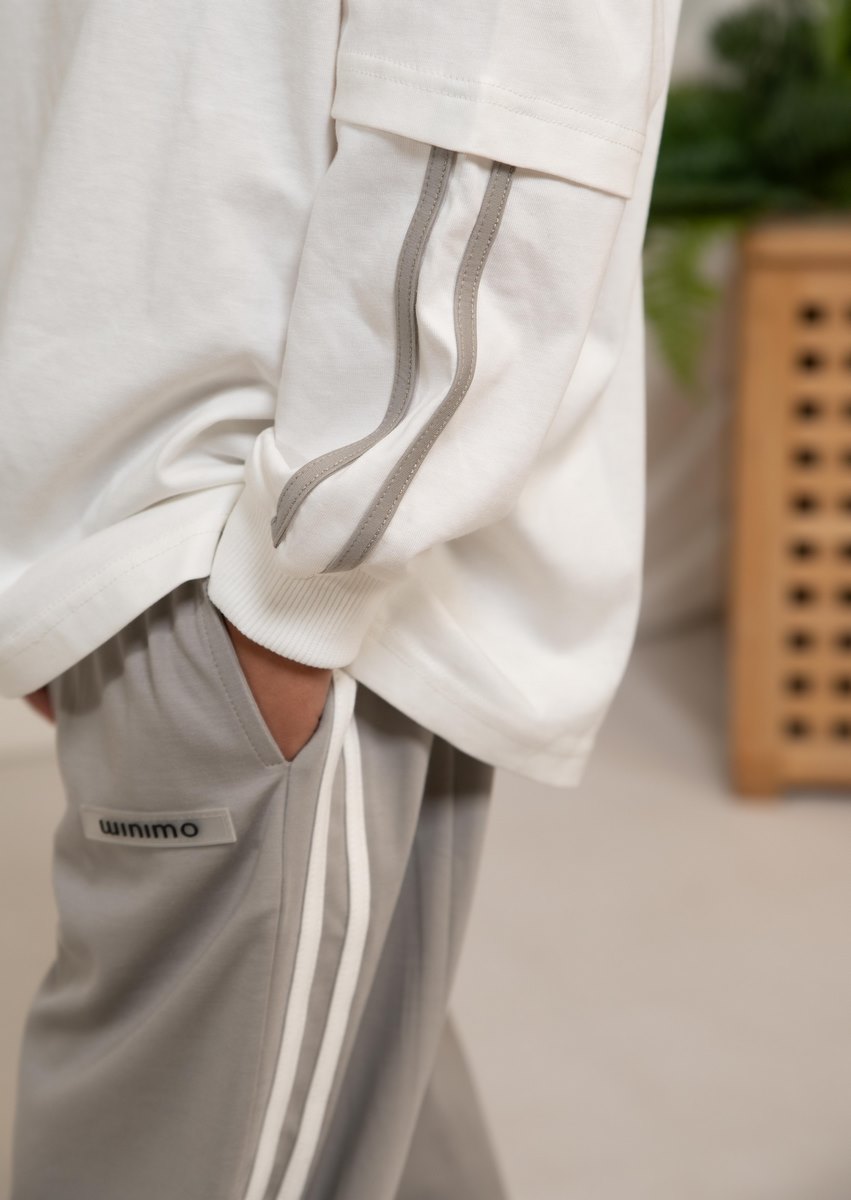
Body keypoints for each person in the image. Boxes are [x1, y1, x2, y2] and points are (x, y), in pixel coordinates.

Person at [0, 0, 682, 1195]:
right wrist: (83, 562)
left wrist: (287, 586)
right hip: (194, 554)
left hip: (242, 562)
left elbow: (486, 124)